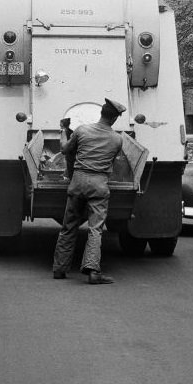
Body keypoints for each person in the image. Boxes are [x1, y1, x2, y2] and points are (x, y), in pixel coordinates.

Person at [52, 97, 126, 285]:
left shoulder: (81, 130)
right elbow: (113, 162)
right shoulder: (117, 139)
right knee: (95, 229)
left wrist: (63, 130)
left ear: (101, 113)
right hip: (99, 185)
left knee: (69, 226)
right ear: (114, 119)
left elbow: (65, 150)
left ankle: (59, 269)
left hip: (77, 182)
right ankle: (93, 271)